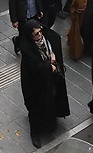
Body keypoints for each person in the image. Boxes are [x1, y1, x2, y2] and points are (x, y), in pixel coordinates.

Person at [19, 20, 69, 148]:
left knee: (52, 96)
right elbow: (34, 66)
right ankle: (35, 132)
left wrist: (53, 62)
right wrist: (49, 65)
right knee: (36, 105)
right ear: (30, 35)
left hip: (50, 79)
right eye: (36, 34)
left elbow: (56, 39)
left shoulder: (47, 40)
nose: (40, 35)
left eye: (40, 31)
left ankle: (51, 119)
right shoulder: (26, 46)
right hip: (35, 82)